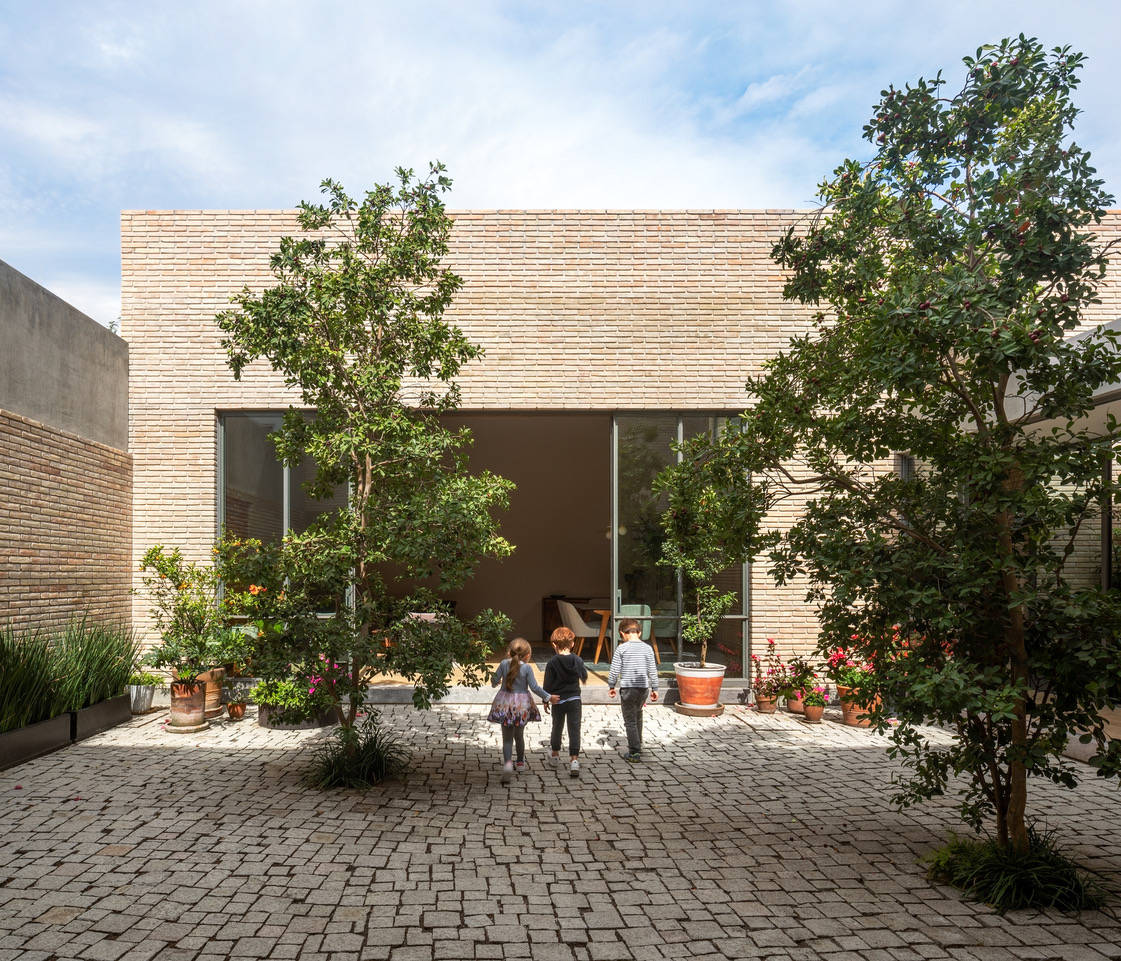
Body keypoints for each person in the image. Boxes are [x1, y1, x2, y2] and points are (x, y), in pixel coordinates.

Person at [489, 638, 557, 783]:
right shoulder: (527, 668)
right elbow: (534, 687)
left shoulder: (503, 664)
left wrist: (496, 682)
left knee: (507, 738)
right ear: (527, 656)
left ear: (509, 653)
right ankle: (520, 762)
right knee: (519, 735)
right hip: (521, 706)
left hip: (505, 704)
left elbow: (494, 680)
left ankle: (508, 764)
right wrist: (548, 697)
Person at [607, 617, 659, 761]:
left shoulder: (622, 648)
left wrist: (611, 685)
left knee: (630, 720)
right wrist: (655, 688)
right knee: (638, 714)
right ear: (639, 633)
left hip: (628, 689)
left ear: (622, 634)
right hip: (643, 689)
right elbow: (652, 670)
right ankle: (639, 743)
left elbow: (614, 669)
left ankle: (634, 751)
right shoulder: (648, 648)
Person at [543, 626, 588, 777]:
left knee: (557, 726)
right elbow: (584, 675)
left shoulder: (552, 662)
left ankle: (555, 754)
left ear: (554, 645)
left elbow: (548, 683)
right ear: (572, 644)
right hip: (575, 699)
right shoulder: (578, 660)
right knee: (574, 729)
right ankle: (574, 759)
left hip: (558, 700)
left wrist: (546, 699)